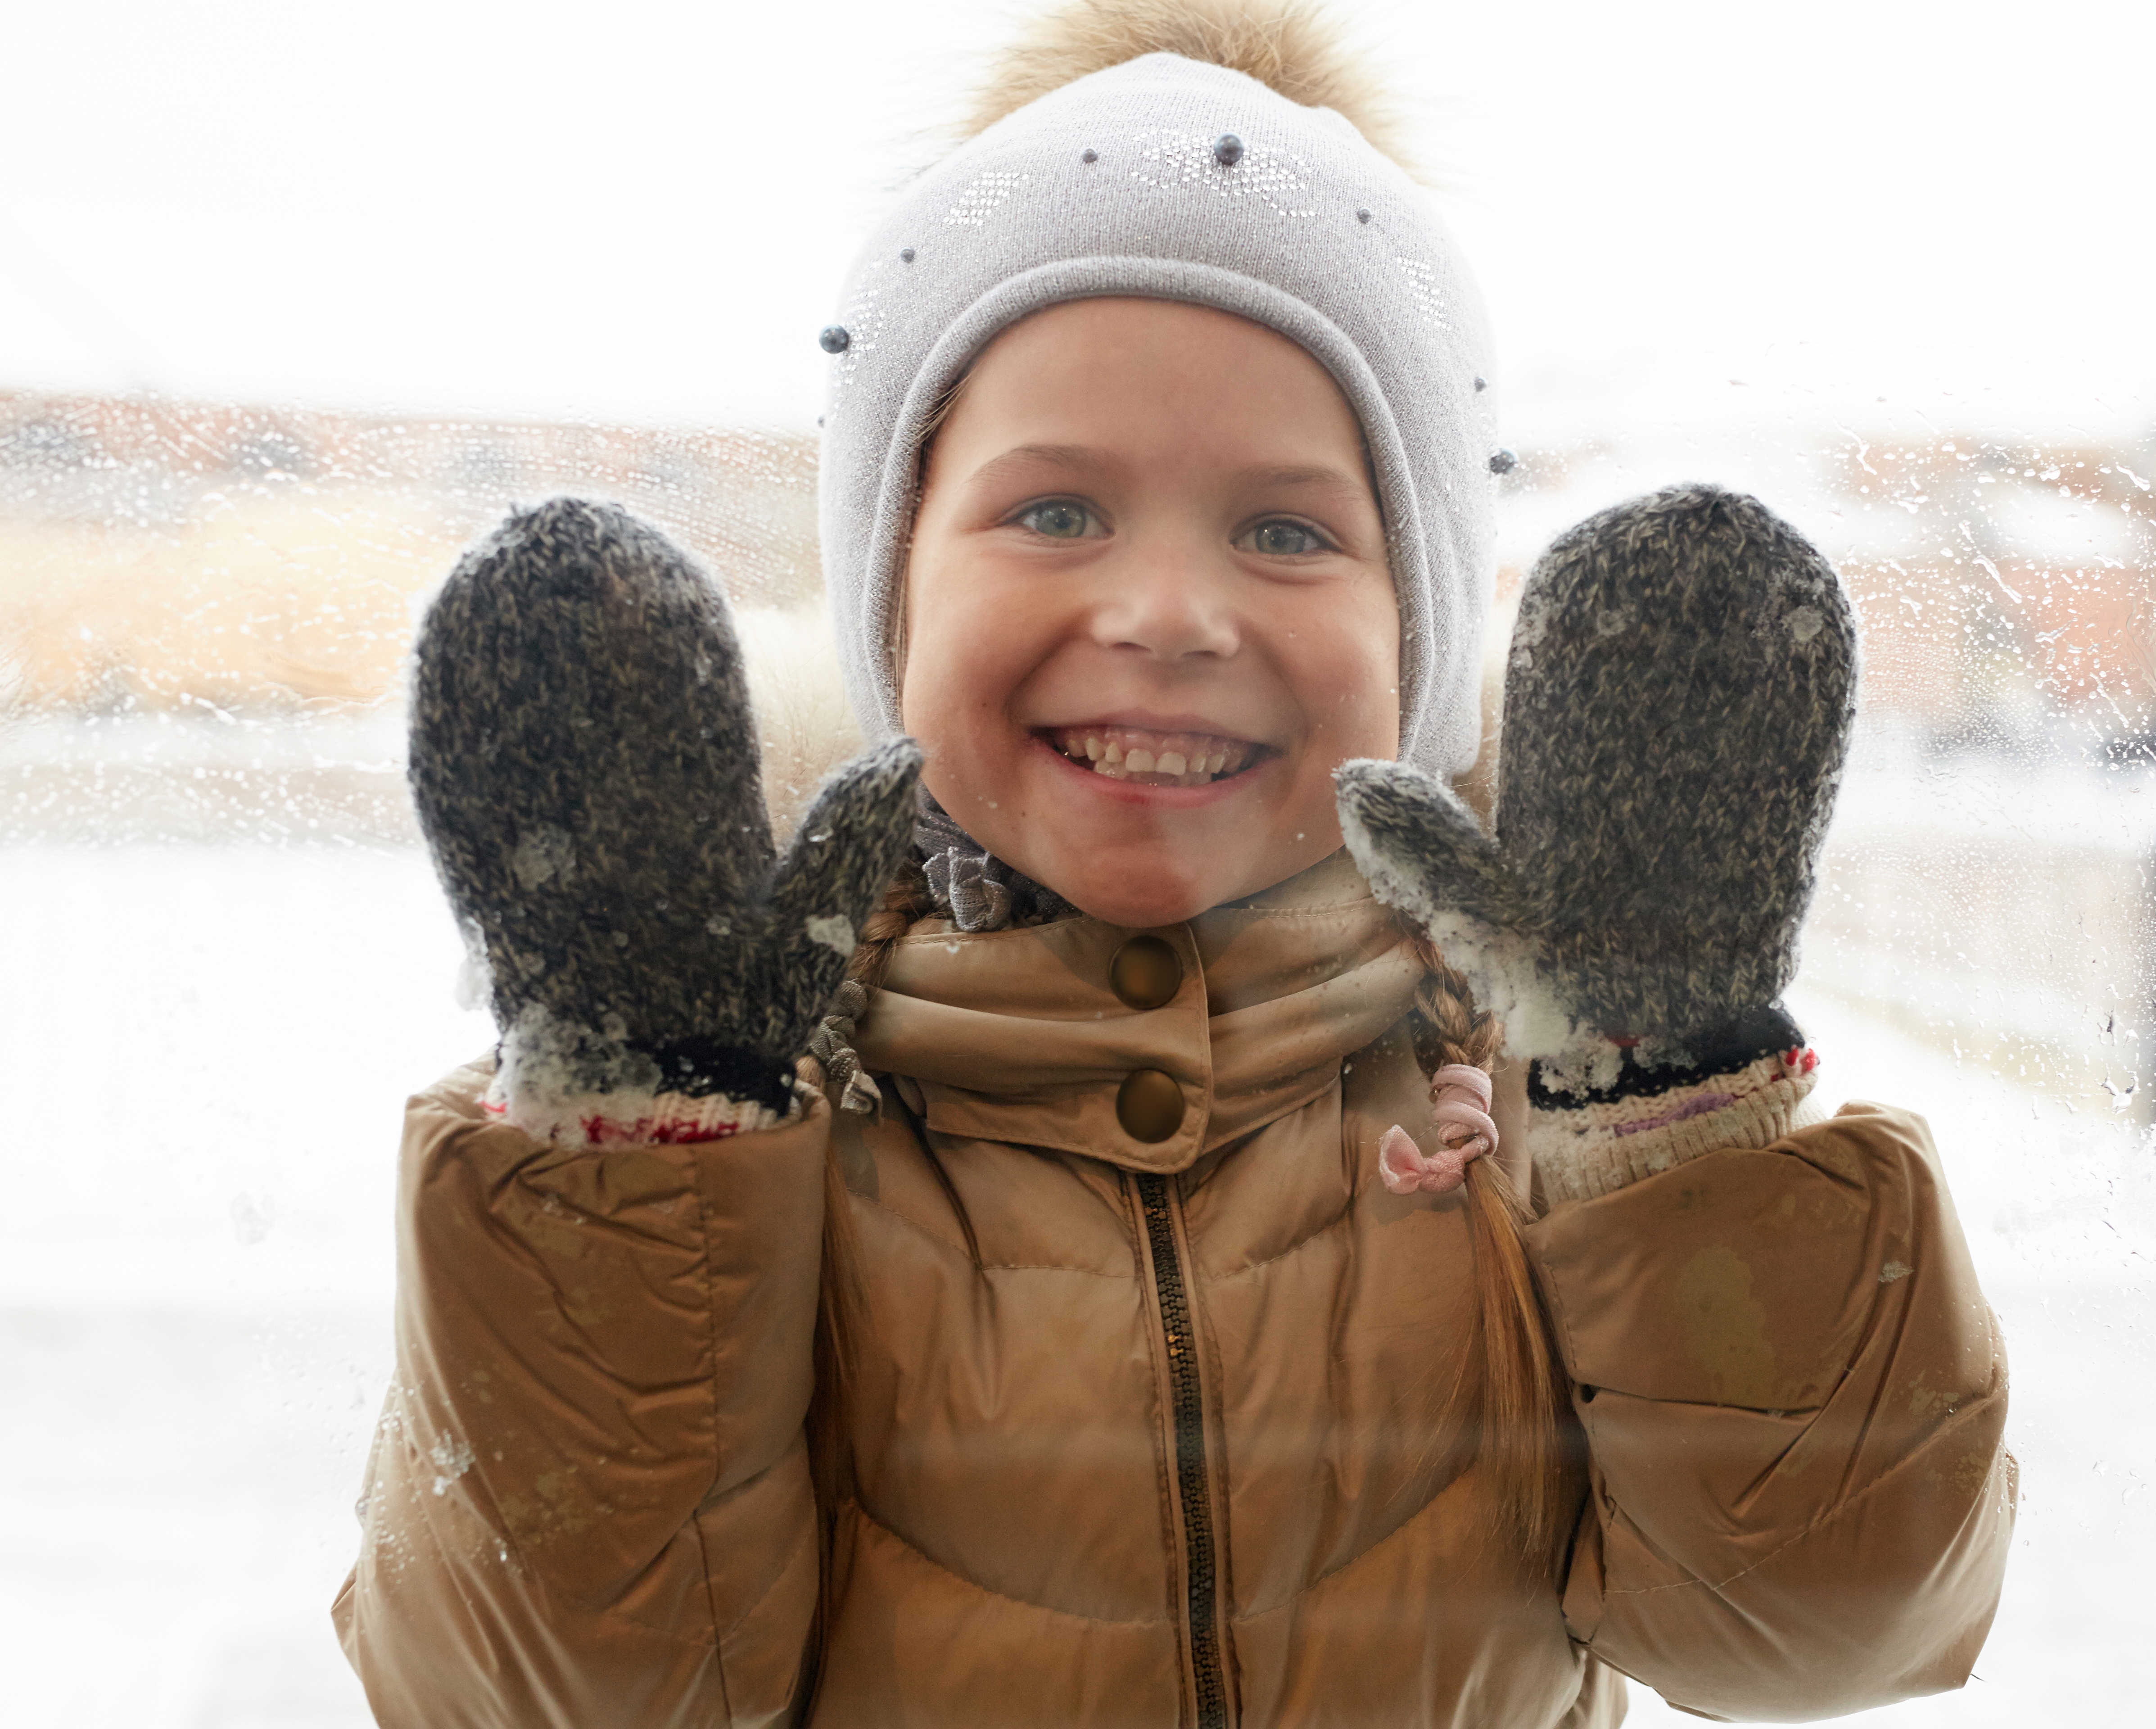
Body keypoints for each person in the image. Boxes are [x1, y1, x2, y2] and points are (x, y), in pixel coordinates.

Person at [334, 4, 2015, 1723]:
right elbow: (553, 1692)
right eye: (1055, 510)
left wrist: (1671, 1103)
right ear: (896, 593)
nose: (1168, 614)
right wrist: (643, 1136)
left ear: (1420, 639)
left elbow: (1822, 1623)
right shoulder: (754, 1113)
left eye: (1287, 530)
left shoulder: (1537, 1102)